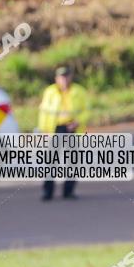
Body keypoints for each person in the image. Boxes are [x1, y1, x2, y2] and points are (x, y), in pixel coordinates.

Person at [37, 66, 89, 200]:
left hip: (72, 128)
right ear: (56, 79)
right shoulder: (50, 92)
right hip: (54, 129)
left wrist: (78, 121)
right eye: (61, 77)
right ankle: (47, 192)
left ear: (70, 77)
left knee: (72, 161)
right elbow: (44, 112)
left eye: (66, 76)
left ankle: (68, 191)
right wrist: (44, 130)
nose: (64, 80)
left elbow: (87, 110)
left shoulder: (79, 91)